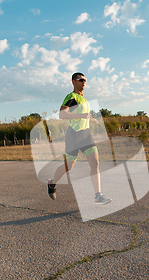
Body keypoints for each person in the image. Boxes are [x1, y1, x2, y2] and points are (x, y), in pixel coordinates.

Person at [47, 72, 112, 205]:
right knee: (68, 166)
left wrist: (91, 119)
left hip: (86, 135)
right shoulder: (72, 97)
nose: (84, 82)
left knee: (95, 163)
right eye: (81, 80)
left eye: (85, 80)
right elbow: (62, 114)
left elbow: (84, 115)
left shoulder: (84, 99)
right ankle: (52, 184)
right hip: (74, 136)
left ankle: (98, 196)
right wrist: (81, 116)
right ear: (73, 82)